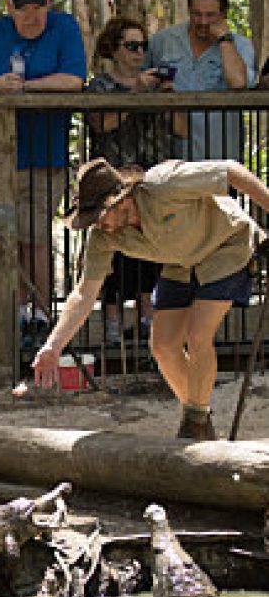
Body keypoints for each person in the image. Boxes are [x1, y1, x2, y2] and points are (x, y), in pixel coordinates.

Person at [19, 157, 269, 441]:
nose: (97, 226)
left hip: (227, 247)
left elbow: (231, 171)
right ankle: (200, 416)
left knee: (198, 336)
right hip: (181, 262)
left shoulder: (163, 184)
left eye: (99, 216)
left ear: (120, 200)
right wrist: (53, 346)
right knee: (162, 345)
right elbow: (83, 294)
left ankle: (193, 424)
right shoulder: (103, 237)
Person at [0, 0, 86, 343]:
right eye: (23, 9)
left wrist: (27, 87)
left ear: (48, 2)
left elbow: (74, 79)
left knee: (35, 237)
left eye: (38, 8)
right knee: (3, 237)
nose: (31, 17)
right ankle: (9, 315)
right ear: (10, 6)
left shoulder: (64, 27)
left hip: (45, 154)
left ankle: (42, 315)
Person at [86, 17, 172, 346]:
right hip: (113, 174)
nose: (138, 53)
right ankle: (111, 315)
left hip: (151, 175)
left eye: (143, 46)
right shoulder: (101, 86)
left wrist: (167, 97)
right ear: (114, 48)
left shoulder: (153, 83)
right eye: (131, 45)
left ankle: (147, 313)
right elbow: (101, 123)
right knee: (111, 244)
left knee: (149, 242)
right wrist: (135, 93)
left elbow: (179, 129)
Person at [143, 0, 256, 161]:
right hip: (171, 155)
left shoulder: (241, 45)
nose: (203, 22)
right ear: (189, 11)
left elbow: (239, 83)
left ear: (224, 14)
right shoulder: (162, 41)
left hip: (221, 155)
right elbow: (141, 80)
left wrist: (225, 40)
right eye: (197, 14)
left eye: (210, 15)